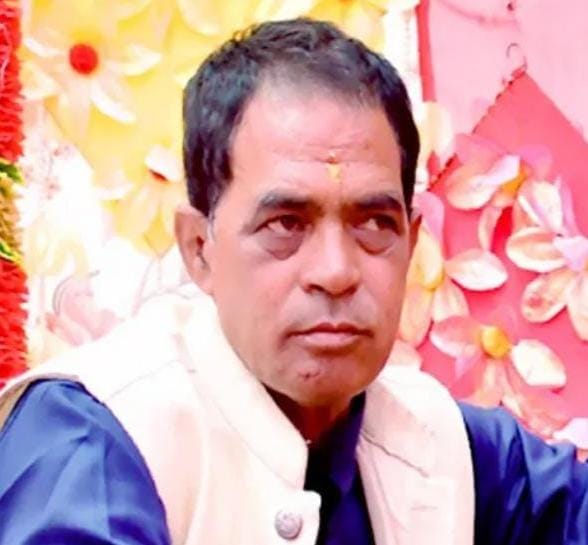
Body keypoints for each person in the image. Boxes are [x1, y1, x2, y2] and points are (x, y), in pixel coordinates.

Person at [0, 18, 586, 545]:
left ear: (411, 243)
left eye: (373, 224)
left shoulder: (443, 446)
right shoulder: (98, 441)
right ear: (199, 248)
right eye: (285, 224)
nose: (335, 271)